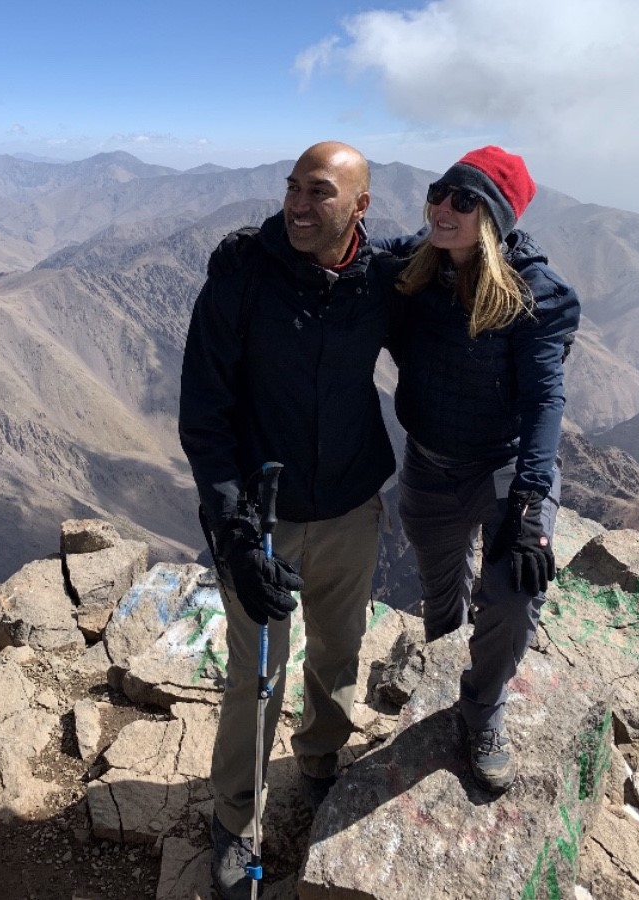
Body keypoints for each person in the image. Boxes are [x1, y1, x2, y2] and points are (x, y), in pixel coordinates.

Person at [178, 141, 395, 900]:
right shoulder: (242, 277)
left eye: (320, 192)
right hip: (263, 522)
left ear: (359, 206)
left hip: (352, 507)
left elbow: (460, 308)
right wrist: (236, 537)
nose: (299, 205)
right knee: (256, 677)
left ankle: (322, 759)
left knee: (339, 649)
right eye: (292, 188)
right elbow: (204, 419)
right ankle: (237, 822)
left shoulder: (381, 278)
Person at [384, 146, 581, 793]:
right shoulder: (412, 269)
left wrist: (529, 507)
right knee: (442, 605)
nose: (443, 208)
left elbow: (546, 398)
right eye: (440, 192)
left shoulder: (535, 296)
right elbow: (338, 263)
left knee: (516, 591)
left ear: (493, 218)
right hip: (430, 467)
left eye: (464, 201)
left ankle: (482, 709)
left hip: (503, 470)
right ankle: (447, 666)